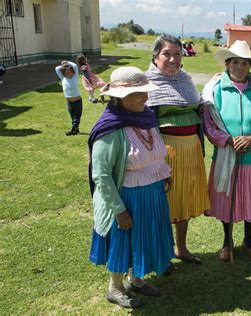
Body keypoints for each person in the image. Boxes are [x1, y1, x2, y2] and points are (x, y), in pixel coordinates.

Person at [88, 66, 174, 308]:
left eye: (145, 92)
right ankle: (115, 287)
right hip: (127, 198)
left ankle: (135, 279)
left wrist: (163, 173)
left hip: (152, 190)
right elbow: (102, 175)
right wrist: (118, 209)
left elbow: (155, 151)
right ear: (121, 96)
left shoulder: (145, 117)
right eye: (140, 93)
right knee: (124, 240)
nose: (146, 98)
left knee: (144, 236)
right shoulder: (110, 130)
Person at [202, 40, 251, 261]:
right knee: (227, 201)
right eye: (234, 62)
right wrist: (228, 140)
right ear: (227, 64)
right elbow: (209, 124)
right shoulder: (215, 89)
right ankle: (227, 242)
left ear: (250, 66)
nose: (239, 67)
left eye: (244, 63)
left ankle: (248, 241)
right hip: (227, 156)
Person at [145, 35, 210, 264]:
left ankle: (181, 248)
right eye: (167, 54)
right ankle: (163, 252)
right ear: (155, 56)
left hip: (191, 151)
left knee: (184, 200)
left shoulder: (186, 80)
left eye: (177, 54)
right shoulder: (146, 84)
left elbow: (199, 112)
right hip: (164, 154)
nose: (173, 59)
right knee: (162, 203)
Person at [55, 60, 82, 136]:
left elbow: (75, 66)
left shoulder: (75, 77)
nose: (69, 74)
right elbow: (57, 68)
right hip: (69, 102)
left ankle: (72, 129)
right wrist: (64, 65)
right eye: (67, 73)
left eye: (70, 72)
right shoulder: (63, 78)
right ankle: (76, 130)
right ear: (63, 73)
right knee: (72, 116)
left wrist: (68, 62)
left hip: (78, 101)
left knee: (77, 117)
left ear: (73, 72)